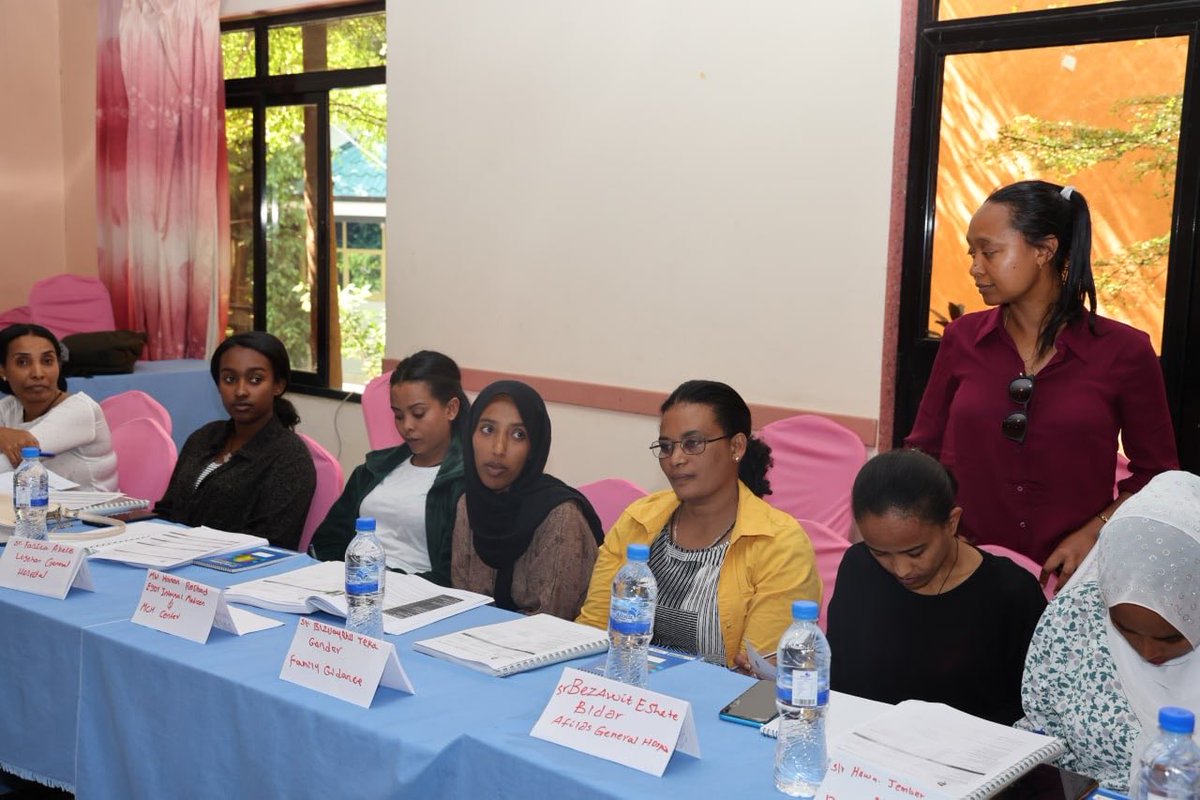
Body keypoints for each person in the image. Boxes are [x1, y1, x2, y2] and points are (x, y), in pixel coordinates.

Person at [906, 180, 1177, 588]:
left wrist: (1093, 533)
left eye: (989, 251)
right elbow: (922, 453)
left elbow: (1158, 478)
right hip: (964, 573)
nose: (975, 266)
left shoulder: (1125, 352)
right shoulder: (961, 339)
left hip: (1071, 580)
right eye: (972, 252)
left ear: (1044, 250)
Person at [577, 380, 820, 668]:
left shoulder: (779, 544)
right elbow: (591, 631)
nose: (675, 459)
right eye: (666, 447)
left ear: (736, 447)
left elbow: (755, 672)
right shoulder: (639, 521)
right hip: (628, 692)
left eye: (693, 444)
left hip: (718, 705)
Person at [826, 449, 1046, 724]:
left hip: (973, 757)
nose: (901, 569)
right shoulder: (859, 567)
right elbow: (840, 680)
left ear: (951, 523)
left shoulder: (1010, 592)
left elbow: (1035, 707)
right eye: (880, 553)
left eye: (916, 552)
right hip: (863, 748)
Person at [1018, 470, 1200, 793]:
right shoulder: (1073, 620)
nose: (1148, 651)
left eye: (1170, 638)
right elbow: (1039, 734)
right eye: (1125, 629)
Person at [312, 351, 468, 586]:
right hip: (352, 585)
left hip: (416, 595)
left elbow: (454, 575)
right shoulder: (373, 469)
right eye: (398, 415)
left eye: (418, 414)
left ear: (451, 409)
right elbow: (327, 541)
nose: (407, 426)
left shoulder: (464, 481)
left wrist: (378, 580)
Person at [451, 380, 603, 619]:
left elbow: (551, 623)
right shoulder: (468, 503)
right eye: (488, 430)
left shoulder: (560, 516)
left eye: (518, 435)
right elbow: (462, 603)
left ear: (534, 447)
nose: (498, 448)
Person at [155, 332, 315, 550]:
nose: (240, 391)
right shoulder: (203, 437)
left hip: (234, 574)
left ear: (278, 385)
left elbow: (270, 544)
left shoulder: (289, 457)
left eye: (255, 380)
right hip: (169, 561)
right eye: (229, 379)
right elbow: (167, 511)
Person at [0, 324, 117, 491]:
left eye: (47, 361)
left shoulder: (80, 410)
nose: (38, 373)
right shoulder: (10, 407)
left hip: (95, 513)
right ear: (2, 370)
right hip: (40, 511)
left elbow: (6, 466)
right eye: (23, 362)